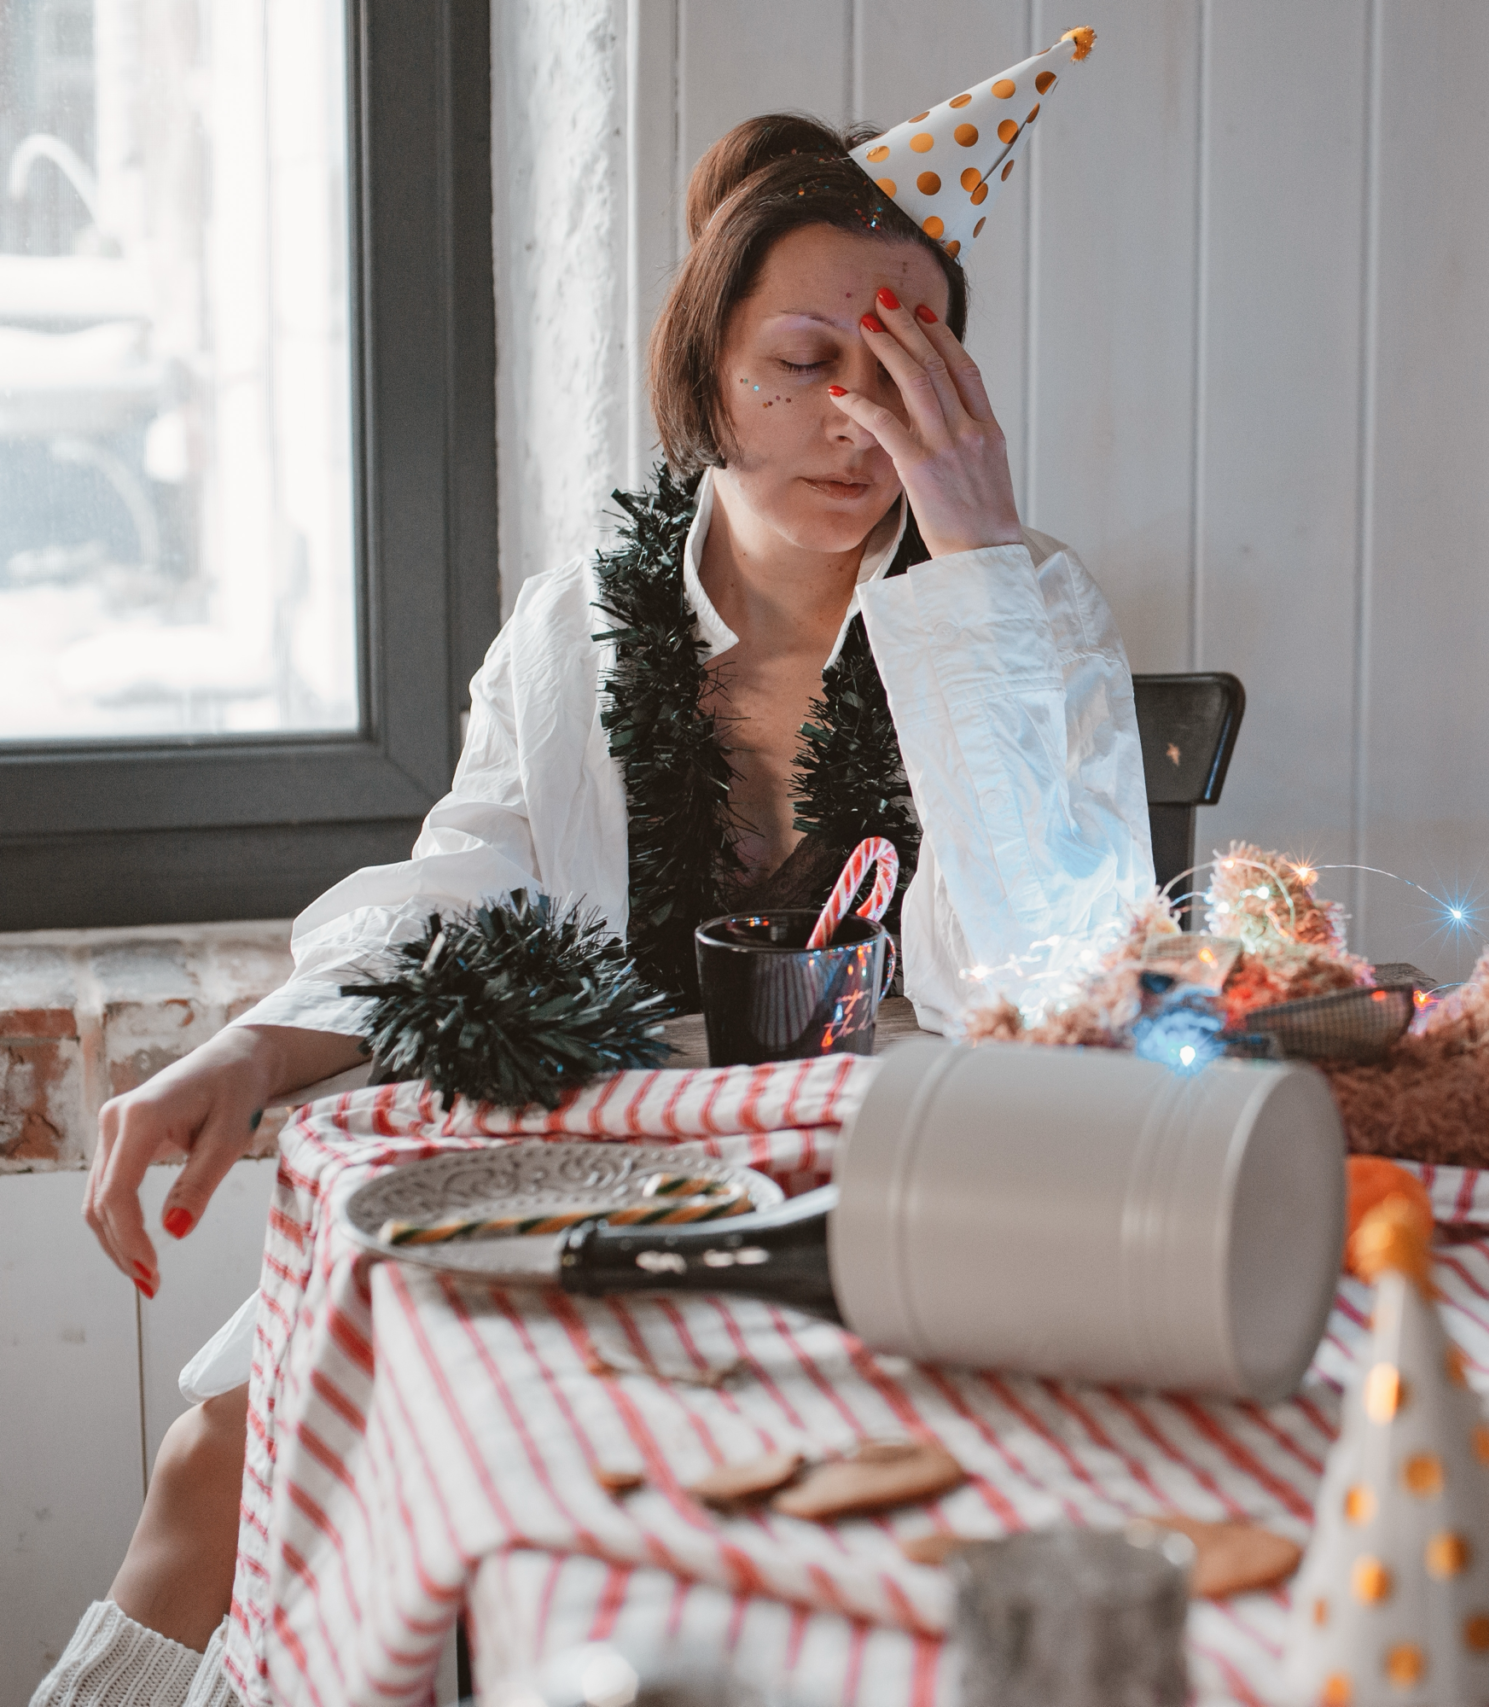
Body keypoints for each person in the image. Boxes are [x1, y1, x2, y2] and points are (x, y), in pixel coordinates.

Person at [36, 73, 1146, 1705]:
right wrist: (259, 1048)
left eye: (905, 368)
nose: (859, 418)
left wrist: (977, 567)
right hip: (600, 1201)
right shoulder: (579, 632)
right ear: (705, 372)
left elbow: (1057, 983)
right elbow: (467, 886)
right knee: (221, 1452)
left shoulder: (1030, 610)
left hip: (892, 1229)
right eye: (805, 364)